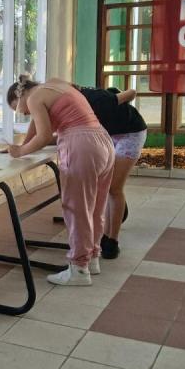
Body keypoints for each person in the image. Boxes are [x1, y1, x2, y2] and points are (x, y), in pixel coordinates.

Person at [6, 75, 114, 286]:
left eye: (20, 110)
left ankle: (79, 269)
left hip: (80, 145)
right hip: (102, 140)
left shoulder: (34, 98)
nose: (26, 113)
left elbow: (44, 135)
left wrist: (20, 152)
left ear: (20, 96)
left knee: (77, 209)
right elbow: (36, 128)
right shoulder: (55, 84)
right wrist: (22, 146)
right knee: (95, 206)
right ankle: (92, 258)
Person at [74, 85, 147, 259]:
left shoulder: (98, 99)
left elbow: (132, 92)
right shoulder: (72, 107)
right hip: (109, 135)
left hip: (131, 132)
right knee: (106, 185)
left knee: (114, 188)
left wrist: (120, 100)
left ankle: (112, 241)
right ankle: (115, 218)